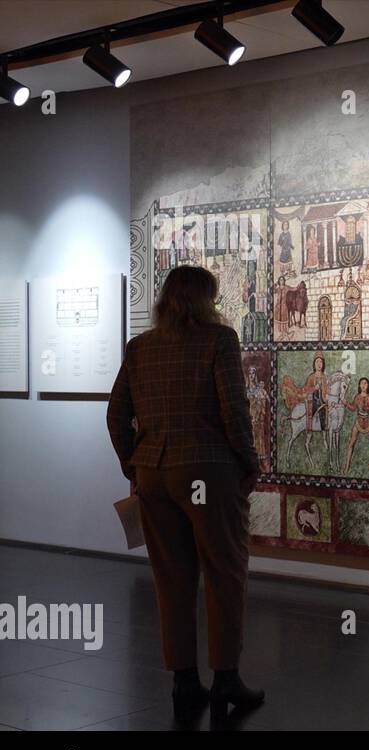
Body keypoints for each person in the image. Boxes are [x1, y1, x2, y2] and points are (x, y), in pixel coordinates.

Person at [106, 265, 265, 723]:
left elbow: (116, 415)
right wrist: (250, 463)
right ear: (206, 300)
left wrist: (133, 465)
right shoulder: (219, 340)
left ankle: (184, 682)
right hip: (209, 473)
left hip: (155, 476)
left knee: (171, 579)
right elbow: (234, 409)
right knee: (224, 571)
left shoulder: (140, 348)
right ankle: (226, 678)